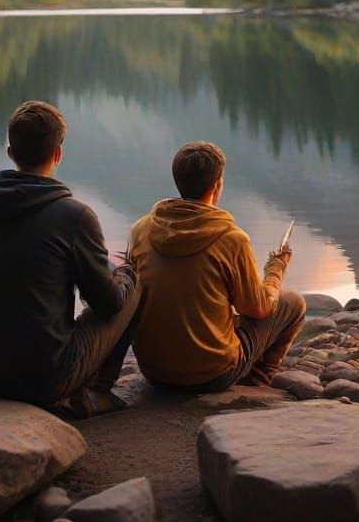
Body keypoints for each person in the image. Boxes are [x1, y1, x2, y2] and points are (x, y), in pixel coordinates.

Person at [0, 100, 139, 415]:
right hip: (41, 379)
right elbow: (107, 304)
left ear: (11, 153)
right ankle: (96, 391)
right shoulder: (74, 215)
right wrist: (125, 273)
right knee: (132, 283)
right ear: (58, 154)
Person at [128, 140, 305, 391]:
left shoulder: (140, 230)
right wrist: (276, 268)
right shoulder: (231, 238)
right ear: (217, 185)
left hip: (154, 371)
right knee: (293, 304)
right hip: (212, 374)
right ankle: (258, 380)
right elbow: (258, 309)